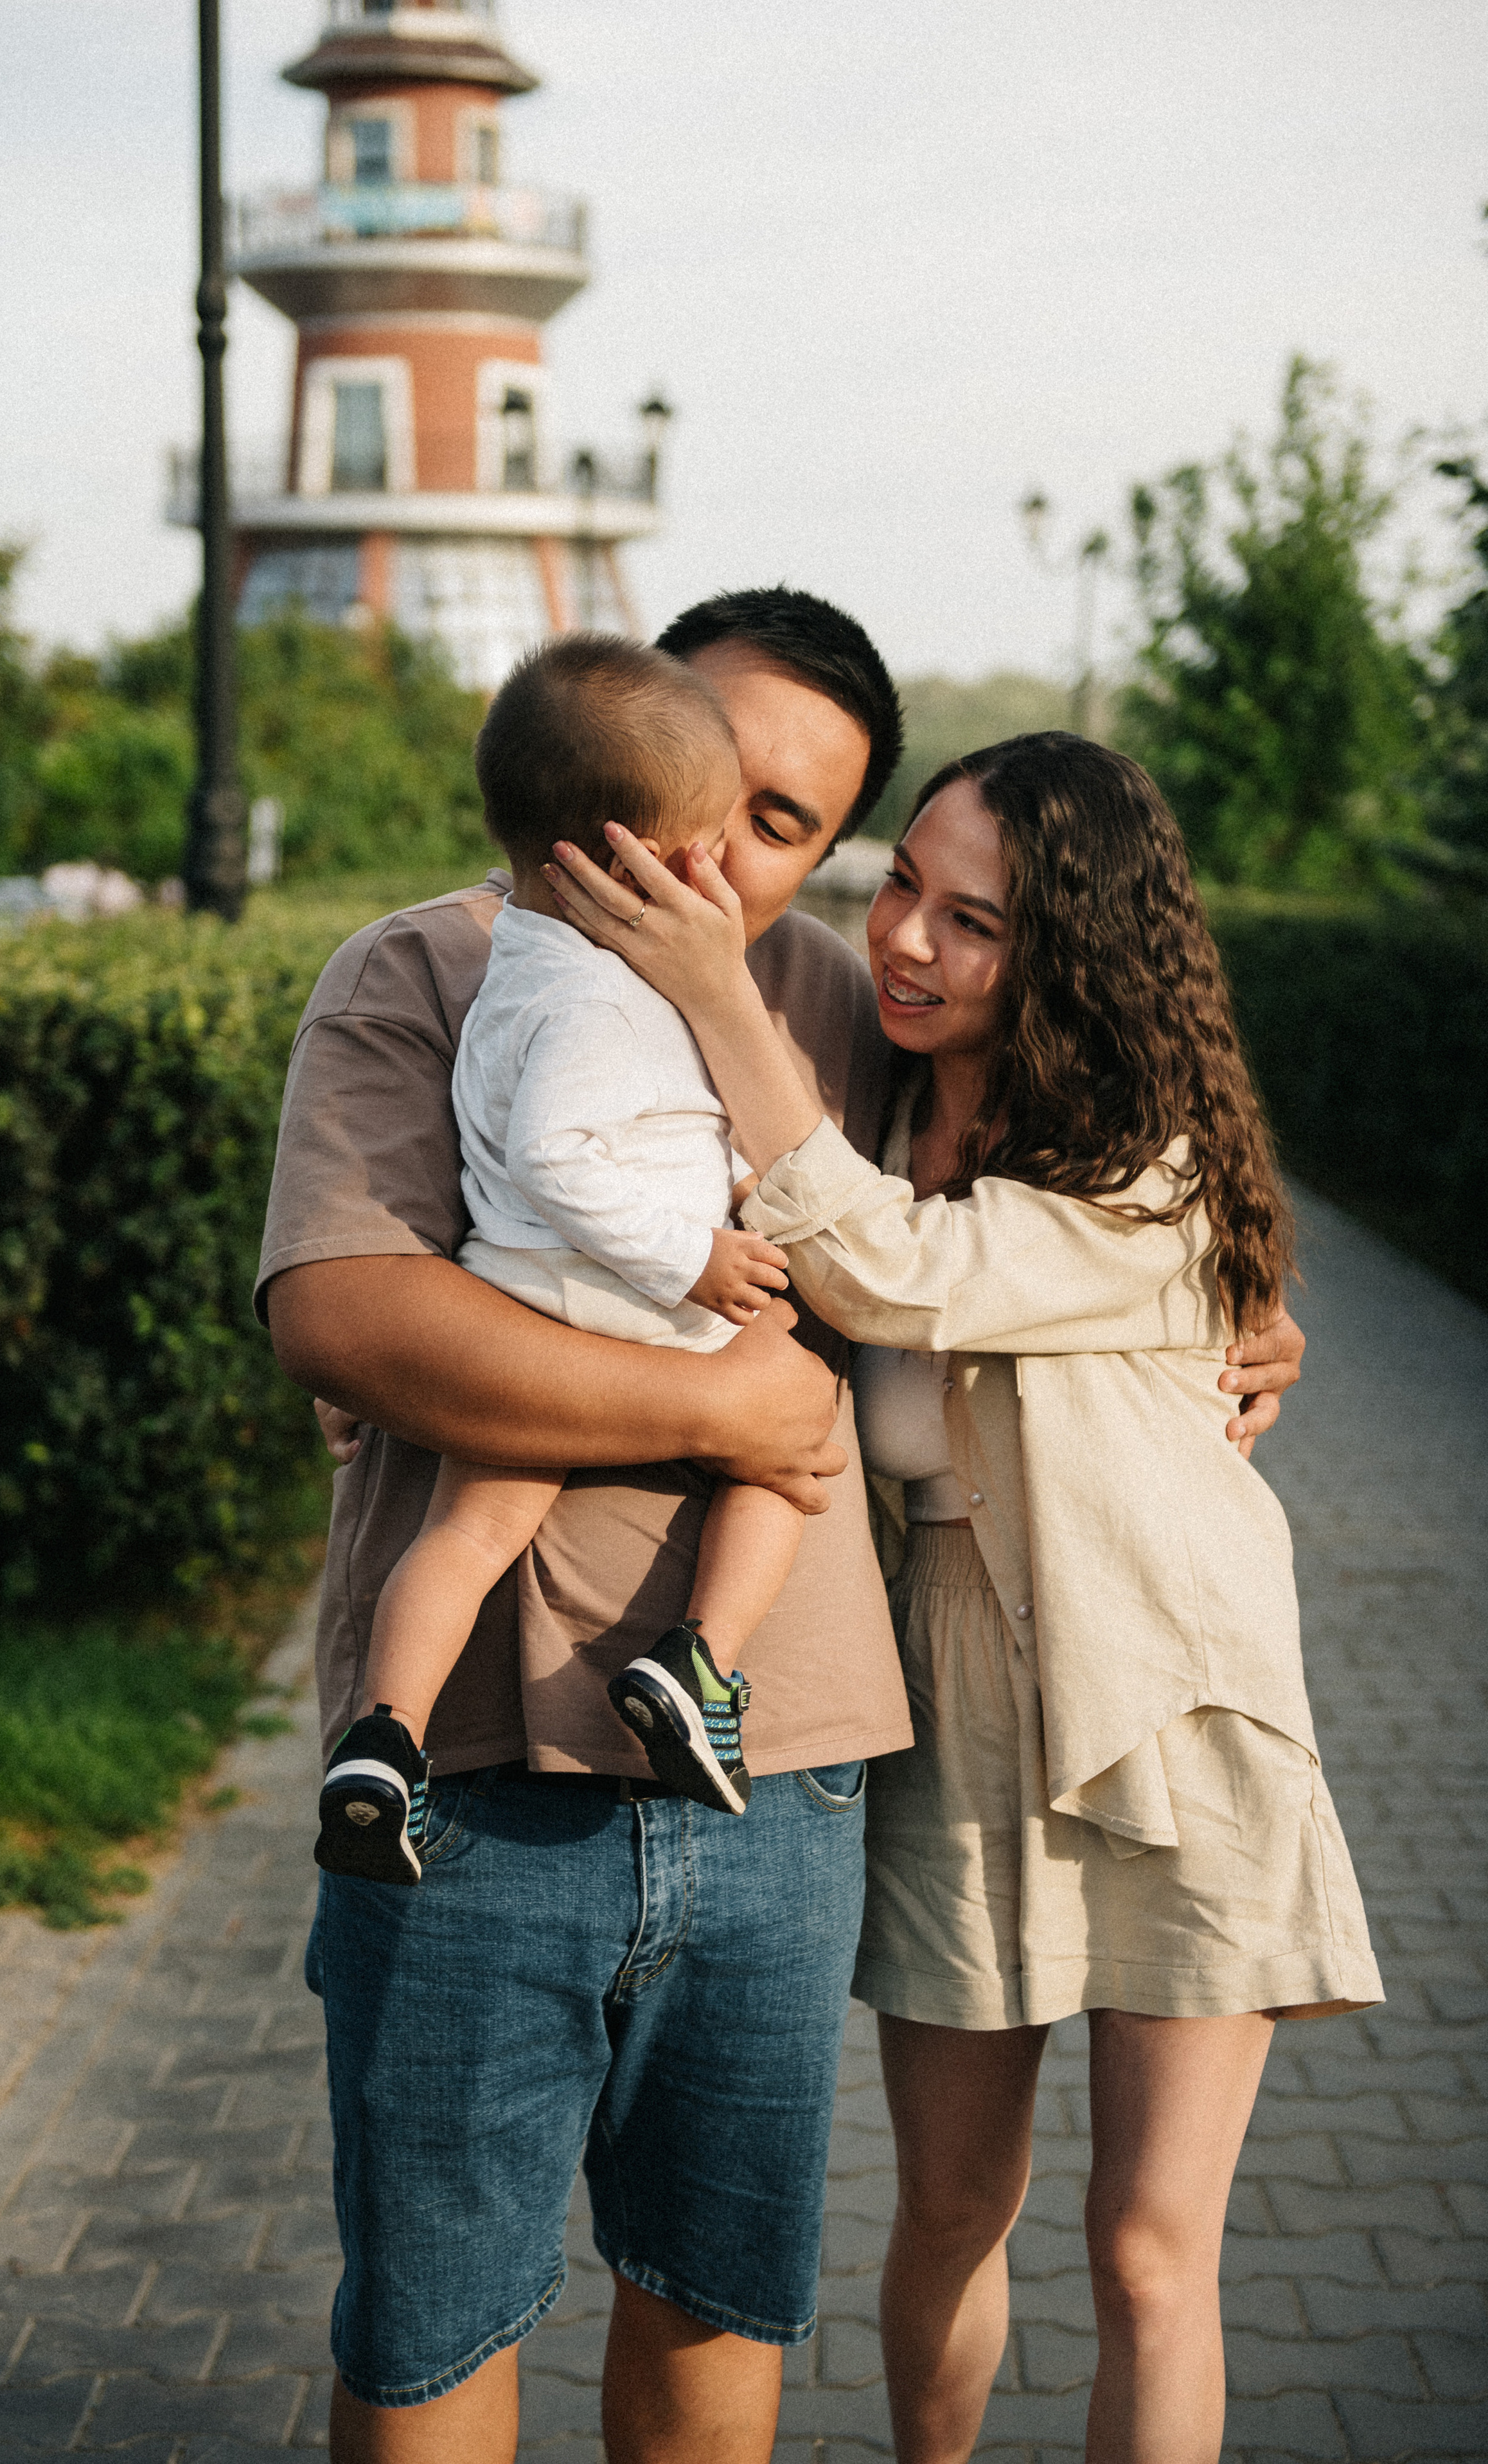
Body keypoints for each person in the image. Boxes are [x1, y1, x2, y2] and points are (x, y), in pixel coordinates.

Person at [260, 593, 1306, 2464]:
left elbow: (1017, 1197)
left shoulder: (830, 995)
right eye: (712, 785)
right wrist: (717, 1403)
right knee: (433, 2324)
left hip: (792, 1781)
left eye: (788, 830)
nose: (715, 859)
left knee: (717, 2301)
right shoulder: (428, 969)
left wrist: (1233, 1304)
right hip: (482, 1776)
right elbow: (344, 1318)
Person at [542, 731, 1377, 2464]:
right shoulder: (875, 1104)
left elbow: (890, 1275)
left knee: (1150, 2252)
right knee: (945, 2218)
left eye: (972, 919)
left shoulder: (1148, 1161)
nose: (908, 938)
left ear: (1068, 946)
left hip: (1174, 1726)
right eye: (902, 886)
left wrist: (720, 994)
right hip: (957, 1752)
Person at [315, 636, 804, 1884]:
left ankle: (382, 1740)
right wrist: (696, 1255)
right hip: (618, 1298)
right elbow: (559, 1150)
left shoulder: (515, 963)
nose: (713, 868)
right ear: (606, 860)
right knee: (795, 1450)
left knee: (468, 1533)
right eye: (695, 841)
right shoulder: (602, 996)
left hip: (518, 1306)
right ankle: (696, 1662)